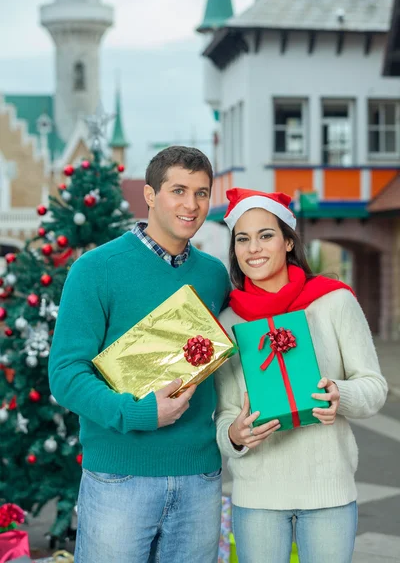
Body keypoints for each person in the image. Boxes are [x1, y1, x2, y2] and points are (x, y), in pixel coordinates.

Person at [48, 146, 231, 563]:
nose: (192, 205)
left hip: (199, 476)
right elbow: (65, 374)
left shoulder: (214, 275)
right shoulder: (97, 269)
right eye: (178, 190)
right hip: (119, 475)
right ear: (149, 195)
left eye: (202, 193)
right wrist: (139, 413)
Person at [215, 188, 388, 563]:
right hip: (257, 498)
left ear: (289, 241)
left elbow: (374, 387)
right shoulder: (228, 323)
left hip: (328, 494)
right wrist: (234, 435)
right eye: (242, 239)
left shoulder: (335, 301)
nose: (253, 248)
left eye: (266, 235)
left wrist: (340, 394)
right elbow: (224, 414)